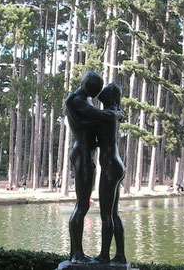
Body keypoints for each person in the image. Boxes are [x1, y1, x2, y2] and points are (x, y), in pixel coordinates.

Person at [65, 72, 123, 264]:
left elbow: (94, 120)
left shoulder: (83, 100)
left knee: (96, 209)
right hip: (82, 153)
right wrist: (116, 113)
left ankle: (82, 254)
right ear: (88, 87)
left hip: (88, 154)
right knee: (82, 205)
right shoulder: (76, 100)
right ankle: (76, 254)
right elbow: (98, 116)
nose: (95, 96)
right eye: (94, 92)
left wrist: (115, 114)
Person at [93, 83, 127, 264]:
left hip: (109, 167)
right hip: (117, 165)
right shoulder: (114, 114)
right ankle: (120, 254)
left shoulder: (106, 115)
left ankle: (104, 255)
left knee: (106, 214)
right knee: (113, 214)